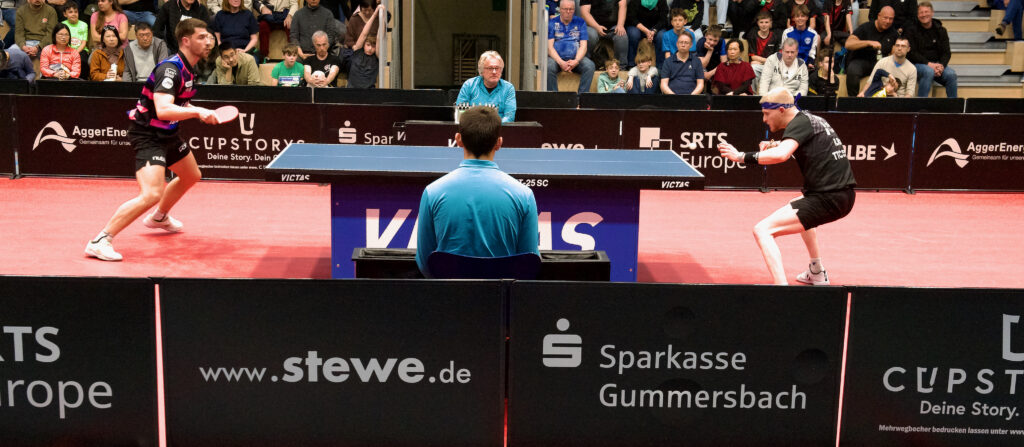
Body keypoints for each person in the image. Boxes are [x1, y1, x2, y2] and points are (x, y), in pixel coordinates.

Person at [85, 18, 220, 262]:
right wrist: (198, 112)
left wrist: (200, 110)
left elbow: (181, 103)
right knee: (151, 193)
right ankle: (101, 240)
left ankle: (159, 217)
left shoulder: (190, 68)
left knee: (191, 175)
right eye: (201, 37)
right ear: (186, 41)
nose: (208, 41)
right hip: (148, 134)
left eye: (209, 37)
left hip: (168, 133)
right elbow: (164, 109)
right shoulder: (170, 69)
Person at [716, 87, 856, 285]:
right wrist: (775, 146)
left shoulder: (800, 123)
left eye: (767, 113)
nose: (764, 119)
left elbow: (781, 155)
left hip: (828, 198)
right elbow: (801, 147)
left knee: (762, 230)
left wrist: (740, 156)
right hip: (841, 195)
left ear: (781, 109)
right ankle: (816, 270)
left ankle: (782, 290)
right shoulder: (811, 120)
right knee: (798, 206)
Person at [415, 106, 540, 279]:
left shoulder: (433, 192)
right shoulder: (524, 196)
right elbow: (528, 264)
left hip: (448, 294)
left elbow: (425, 264)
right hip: (503, 295)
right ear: (499, 143)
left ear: (458, 140)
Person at [905, 2, 956, 97]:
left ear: (932, 13)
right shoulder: (911, 30)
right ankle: (922, 104)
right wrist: (929, 64)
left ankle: (954, 104)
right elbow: (912, 53)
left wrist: (941, 66)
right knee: (928, 71)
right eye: (921, 12)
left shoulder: (941, 30)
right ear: (917, 15)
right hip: (917, 64)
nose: (924, 15)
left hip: (937, 64)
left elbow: (946, 52)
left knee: (951, 75)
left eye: (926, 12)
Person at [844, 6, 896, 98]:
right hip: (861, 61)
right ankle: (852, 99)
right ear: (879, 16)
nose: (888, 21)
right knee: (853, 70)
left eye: (891, 19)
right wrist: (868, 42)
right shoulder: (866, 27)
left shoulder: (893, 33)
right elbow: (848, 44)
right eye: (885, 18)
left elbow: (895, 52)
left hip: (880, 63)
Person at [547, 0, 596, 94]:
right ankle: (554, 98)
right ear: (560, 10)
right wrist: (560, 62)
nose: (568, 12)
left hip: (575, 58)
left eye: (571, 9)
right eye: (565, 9)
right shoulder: (552, 23)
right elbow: (549, 47)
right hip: (557, 59)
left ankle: (581, 98)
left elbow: (584, 46)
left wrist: (576, 61)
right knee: (548, 66)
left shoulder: (580, 22)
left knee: (590, 66)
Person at [456, 50, 516, 122]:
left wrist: (493, 126)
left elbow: (509, 117)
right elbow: (461, 114)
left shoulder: (508, 88)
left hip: (498, 128)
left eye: (497, 68)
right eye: (490, 68)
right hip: (473, 127)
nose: (494, 72)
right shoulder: (469, 85)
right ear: (482, 71)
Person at [580, 0, 627, 68]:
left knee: (622, 36)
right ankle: (587, 65)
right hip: (593, 26)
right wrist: (597, 26)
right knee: (591, 35)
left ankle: (622, 67)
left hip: (614, 26)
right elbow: (584, 13)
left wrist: (620, 25)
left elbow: (623, 6)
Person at [344, 3, 380, 88]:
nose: (370, 48)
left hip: (369, 90)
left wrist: (380, 16)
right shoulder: (357, 51)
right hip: (352, 89)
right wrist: (374, 14)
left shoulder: (376, 56)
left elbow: (379, 37)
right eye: (368, 45)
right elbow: (364, 34)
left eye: (373, 46)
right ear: (364, 45)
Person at [625, 0, 667, 68]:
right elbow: (631, 18)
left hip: (656, 28)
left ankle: (661, 66)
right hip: (638, 27)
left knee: (662, 36)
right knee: (633, 34)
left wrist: (654, 31)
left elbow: (663, 20)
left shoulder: (661, 1)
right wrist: (646, 31)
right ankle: (631, 64)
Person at [747, 11, 781, 86]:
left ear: (770, 23)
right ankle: (754, 93)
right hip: (758, 66)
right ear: (757, 23)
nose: (764, 25)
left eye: (766, 22)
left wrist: (765, 62)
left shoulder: (775, 36)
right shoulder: (752, 36)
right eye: (761, 22)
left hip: (772, 65)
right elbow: (753, 56)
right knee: (753, 67)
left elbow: (777, 56)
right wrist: (766, 62)